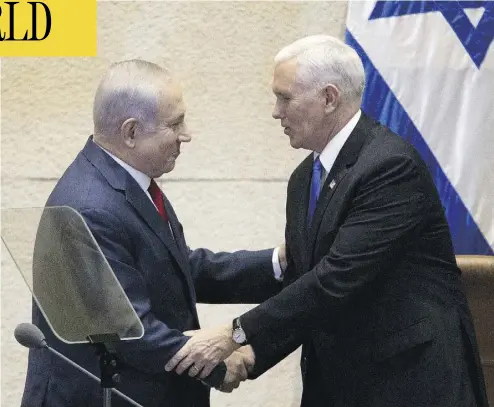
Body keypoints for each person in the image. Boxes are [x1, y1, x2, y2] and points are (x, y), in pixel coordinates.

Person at [165, 35, 489, 407]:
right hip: (340, 382)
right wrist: (253, 355)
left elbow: (335, 280)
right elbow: (306, 284)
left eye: (285, 97)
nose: (275, 111)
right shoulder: (304, 179)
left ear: (329, 98)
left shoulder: (390, 167)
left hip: (409, 382)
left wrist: (234, 334)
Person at [21, 59, 285, 407]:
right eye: (175, 124)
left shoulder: (128, 182)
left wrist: (275, 264)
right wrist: (215, 362)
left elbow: (175, 269)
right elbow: (129, 331)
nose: (186, 134)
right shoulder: (90, 207)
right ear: (130, 132)